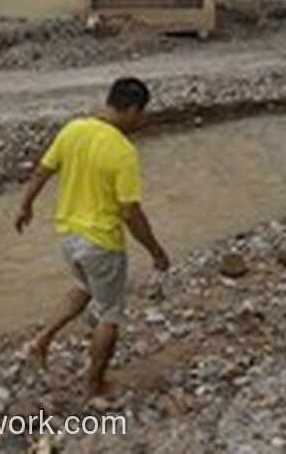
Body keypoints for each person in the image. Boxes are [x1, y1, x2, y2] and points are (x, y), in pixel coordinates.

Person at [14, 77, 170, 399]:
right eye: (140, 115)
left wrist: (25, 205)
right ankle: (95, 384)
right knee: (110, 315)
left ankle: (40, 342)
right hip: (101, 243)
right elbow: (130, 213)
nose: (140, 122)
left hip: (68, 237)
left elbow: (43, 170)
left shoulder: (73, 130)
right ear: (130, 109)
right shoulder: (123, 151)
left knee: (86, 288)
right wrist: (155, 250)